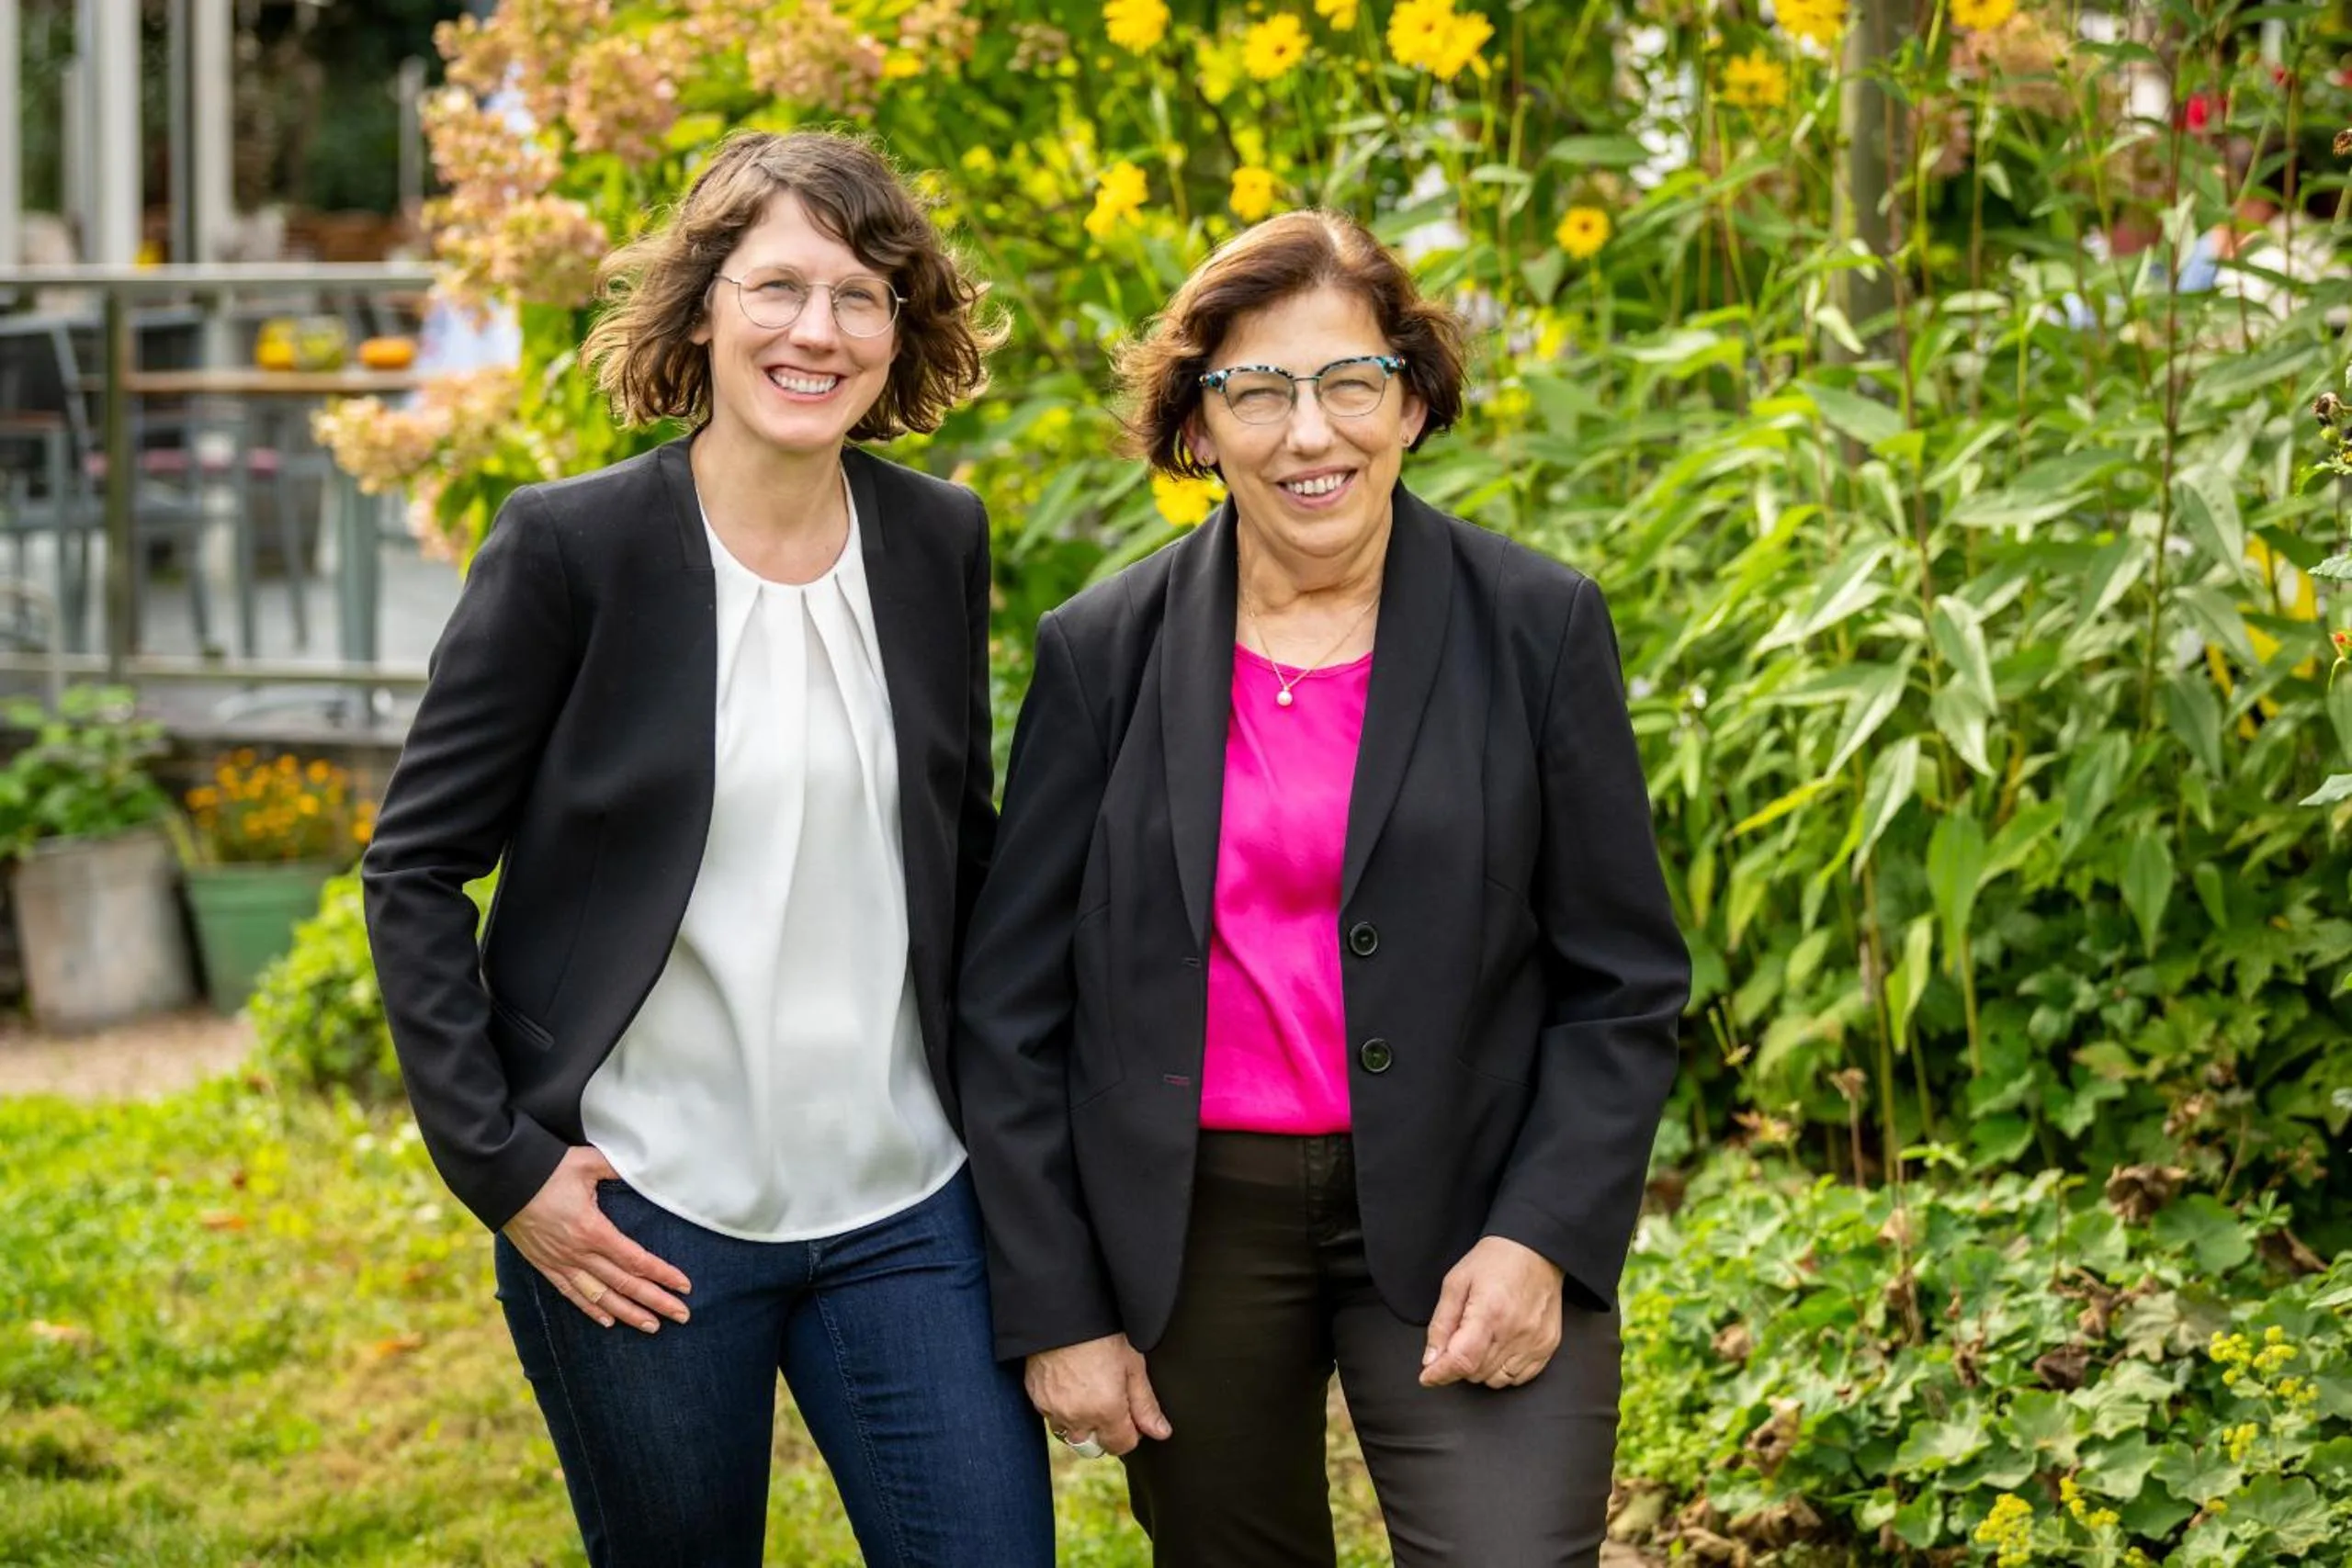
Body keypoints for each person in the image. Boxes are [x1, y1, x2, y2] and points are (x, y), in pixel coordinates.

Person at [955, 209, 1690, 1567]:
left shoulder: (1537, 625)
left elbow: (1623, 979)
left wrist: (1543, 1233)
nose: (1311, 434)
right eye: (1256, 390)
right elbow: (1008, 1009)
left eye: (1352, 381)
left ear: (1412, 403)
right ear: (1197, 424)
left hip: (1476, 1197)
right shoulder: (1099, 652)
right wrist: (1057, 1303)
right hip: (1192, 1226)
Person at [361, 130, 1051, 1568]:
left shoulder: (936, 541)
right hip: (644, 1210)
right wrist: (501, 1165)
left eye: (864, 294)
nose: (820, 329)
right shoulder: (571, 551)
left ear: (902, 329)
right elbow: (415, 867)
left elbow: (952, 848)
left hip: (910, 1199)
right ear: (701, 308)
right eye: (778, 287)